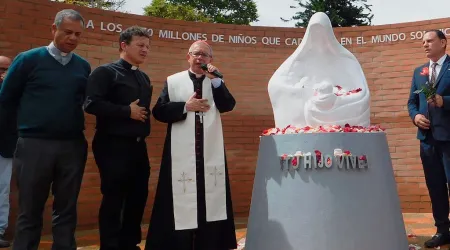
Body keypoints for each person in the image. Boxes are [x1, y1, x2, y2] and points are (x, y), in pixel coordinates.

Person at [0, 9, 91, 250]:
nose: (73, 38)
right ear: (54, 29)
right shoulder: (27, 59)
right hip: (33, 145)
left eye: (78, 34)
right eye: (68, 32)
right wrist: (15, 138)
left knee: (67, 209)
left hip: (72, 146)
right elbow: (6, 100)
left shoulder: (83, 66)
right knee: (30, 210)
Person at [145, 40, 237, 250]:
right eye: (196, 54)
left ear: (210, 61)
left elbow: (228, 105)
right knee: (177, 201)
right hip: (181, 157)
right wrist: (185, 106)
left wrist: (216, 82)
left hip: (208, 155)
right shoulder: (174, 81)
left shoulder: (214, 83)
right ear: (188, 56)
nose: (200, 58)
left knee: (211, 200)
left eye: (205, 55)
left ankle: (210, 244)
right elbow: (159, 111)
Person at [83, 26, 152, 250]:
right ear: (124, 45)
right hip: (113, 146)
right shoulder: (105, 72)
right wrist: (126, 111)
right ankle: (110, 246)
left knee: (137, 198)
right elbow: (91, 103)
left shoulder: (143, 77)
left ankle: (130, 244)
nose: (145, 50)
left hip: (138, 148)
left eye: (147, 47)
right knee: (114, 200)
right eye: (140, 45)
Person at [407, 29, 450, 248]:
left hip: (449, 138)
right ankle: (443, 230)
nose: (425, 44)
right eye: (423, 41)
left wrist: (446, 101)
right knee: (435, 186)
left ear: (443, 43)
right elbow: (411, 103)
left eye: (429, 41)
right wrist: (416, 117)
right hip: (427, 140)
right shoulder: (419, 72)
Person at [0, 55, 13, 248]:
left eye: (5, 70)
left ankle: (0, 230)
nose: (3, 73)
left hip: (5, 146)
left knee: (3, 189)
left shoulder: (12, 89)